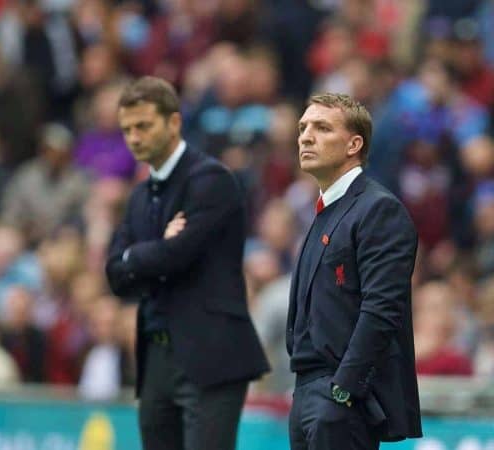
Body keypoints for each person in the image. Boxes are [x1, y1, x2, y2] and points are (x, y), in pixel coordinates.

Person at [106, 76, 269, 450]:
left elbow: (177, 255)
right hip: (156, 357)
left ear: (174, 122)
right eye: (127, 129)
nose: (134, 137)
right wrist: (154, 248)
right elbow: (115, 275)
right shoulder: (139, 196)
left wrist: (139, 255)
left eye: (143, 125)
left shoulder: (210, 180)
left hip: (210, 355)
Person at [286, 93, 422, 450]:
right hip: (307, 393)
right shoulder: (324, 211)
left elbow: (382, 309)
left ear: (353, 144)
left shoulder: (378, 210)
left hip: (340, 398)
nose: (305, 136)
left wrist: (343, 389)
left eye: (321, 127)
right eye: (302, 128)